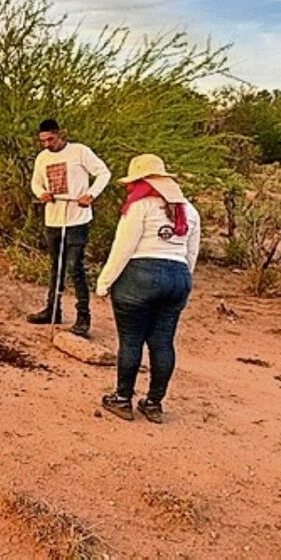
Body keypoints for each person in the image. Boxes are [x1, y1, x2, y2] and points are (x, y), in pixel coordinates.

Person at [96, 154, 201, 424]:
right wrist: (180, 281)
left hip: (139, 276)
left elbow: (123, 248)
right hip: (178, 277)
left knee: (131, 340)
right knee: (163, 342)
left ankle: (122, 399)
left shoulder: (140, 206)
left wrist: (104, 282)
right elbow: (191, 253)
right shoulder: (189, 210)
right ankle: (154, 403)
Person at [27, 118, 111, 337]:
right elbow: (36, 182)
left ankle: (83, 316)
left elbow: (103, 173)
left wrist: (90, 194)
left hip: (77, 219)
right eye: (43, 141)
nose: (47, 144)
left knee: (75, 266)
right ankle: (53, 309)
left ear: (60, 135)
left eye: (50, 139)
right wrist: (41, 193)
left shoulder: (79, 151)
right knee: (56, 265)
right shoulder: (42, 158)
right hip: (53, 218)